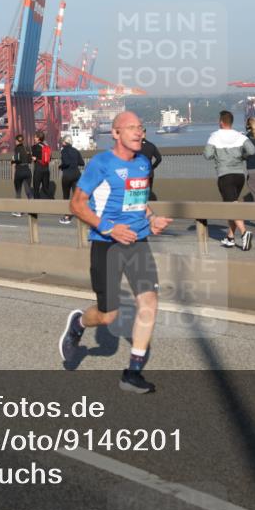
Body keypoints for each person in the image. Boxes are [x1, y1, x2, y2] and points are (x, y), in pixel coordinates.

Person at [59, 111, 172, 394]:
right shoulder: (101, 164)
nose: (139, 133)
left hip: (137, 242)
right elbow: (76, 205)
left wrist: (152, 218)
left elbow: (138, 202)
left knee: (149, 303)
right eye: (131, 127)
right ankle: (79, 323)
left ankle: (132, 373)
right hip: (106, 244)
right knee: (108, 316)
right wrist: (110, 229)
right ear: (116, 133)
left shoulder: (144, 164)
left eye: (141, 127)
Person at [203, 110, 255, 251]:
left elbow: (207, 155)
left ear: (221, 122)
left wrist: (218, 155)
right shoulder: (240, 135)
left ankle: (245, 233)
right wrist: (241, 157)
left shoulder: (215, 136)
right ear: (231, 122)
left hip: (225, 175)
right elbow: (252, 151)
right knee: (232, 204)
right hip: (239, 175)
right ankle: (230, 237)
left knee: (231, 206)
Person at [58, 135, 85, 224]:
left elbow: (66, 163)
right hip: (77, 175)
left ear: (65, 142)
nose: (62, 143)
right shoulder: (75, 151)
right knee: (76, 196)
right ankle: (81, 215)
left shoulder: (63, 151)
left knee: (66, 195)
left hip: (67, 175)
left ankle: (67, 217)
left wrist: (60, 166)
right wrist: (74, 162)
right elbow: (82, 163)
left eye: (62, 142)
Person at [10, 134, 33, 216]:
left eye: (15, 141)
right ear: (22, 140)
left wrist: (12, 162)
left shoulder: (16, 148)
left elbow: (16, 160)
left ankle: (19, 211)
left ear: (17, 141)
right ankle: (33, 209)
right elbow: (30, 160)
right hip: (27, 170)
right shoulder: (27, 148)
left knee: (18, 192)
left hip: (19, 171)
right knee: (28, 191)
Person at [139, 136, 162, 201]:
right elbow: (159, 158)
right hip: (149, 173)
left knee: (138, 193)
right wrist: (153, 167)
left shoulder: (135, 145)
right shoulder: (151, 145)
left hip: (138, 173)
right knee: (148, 193)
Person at [31, 131, 51, 200]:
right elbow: (49, 158)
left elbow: (34, 158)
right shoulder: (46, 147)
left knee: (36, 189)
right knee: (46, 189)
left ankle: (36, 208)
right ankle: (52, 204)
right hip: (46, 170)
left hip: (38, 170)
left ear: (38, 138)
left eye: (35, 137)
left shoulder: (34, 147)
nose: (34, 138)